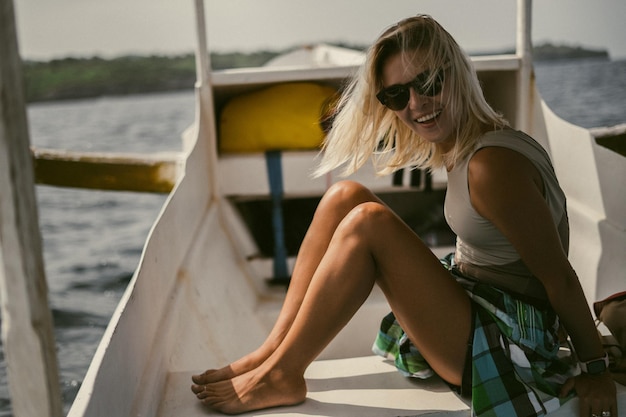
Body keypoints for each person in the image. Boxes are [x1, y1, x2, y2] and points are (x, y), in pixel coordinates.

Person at [191, 15, 617, 416]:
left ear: (457, 74)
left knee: (368, 225)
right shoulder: (474, 143)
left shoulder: (491, 166)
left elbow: (558, 277)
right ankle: (274, 350)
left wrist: (594, 370)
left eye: (428, 82)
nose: (417, 104)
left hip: (514, 340)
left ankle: (283, 375)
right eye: (397, 95)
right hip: (480, 301)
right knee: (346, 196)